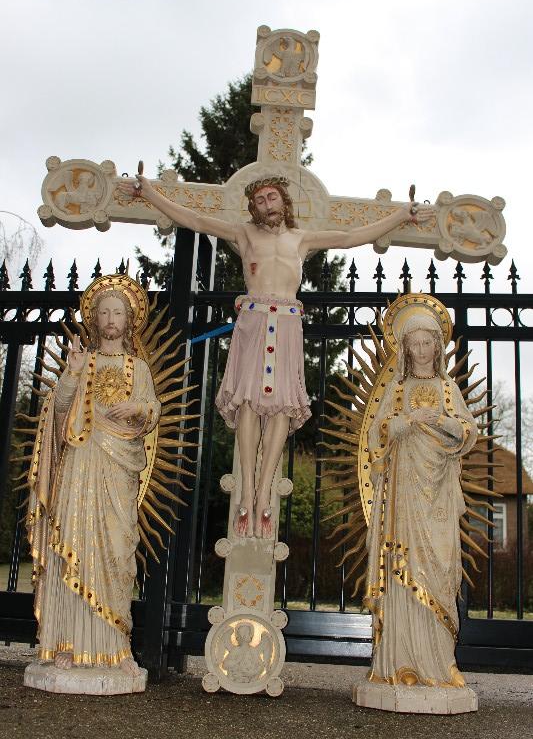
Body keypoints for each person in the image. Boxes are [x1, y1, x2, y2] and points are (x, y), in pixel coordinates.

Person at [120, 173, 433, 538]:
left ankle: (264, 493)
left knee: (283, 405)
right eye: (259, 201)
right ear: (253, 208)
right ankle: (247, 496)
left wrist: (401, 216)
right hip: (253, 322)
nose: (266, 204)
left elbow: (350, 238)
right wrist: (151, 193)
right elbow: (196, 220)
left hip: (286, 324)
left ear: (284, 202)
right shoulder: (244, 234)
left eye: (272, 197)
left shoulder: (301, 239)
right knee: (249, 405)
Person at [27, 286, 160, 675]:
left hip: (118, 469)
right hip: (80, 464)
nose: (110, 320)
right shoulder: (82, 361)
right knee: (75, 542)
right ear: (94, 318)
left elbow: (152, 408)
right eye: (104, 312)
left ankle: (116, 649)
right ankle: (67, 642)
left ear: (129, 319)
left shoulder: (139, 367)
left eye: (118, 313)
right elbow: (60, 411)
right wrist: (71, 373)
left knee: (117, 552)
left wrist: (138, 406)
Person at [364, 308, 477, 687]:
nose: (423, 349)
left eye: (429, 342)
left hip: (440, 496)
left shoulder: (449, 390)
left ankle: (442, 663)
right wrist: (398, 424)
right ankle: (400, 663)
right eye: (415, 343)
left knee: (442, 568)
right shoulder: (396, 390)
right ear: (406, 350)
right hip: (403, 495)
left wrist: (441, 421)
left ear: (438, 347)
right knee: (402, 568)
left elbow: (466, 431)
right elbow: (376, 435)